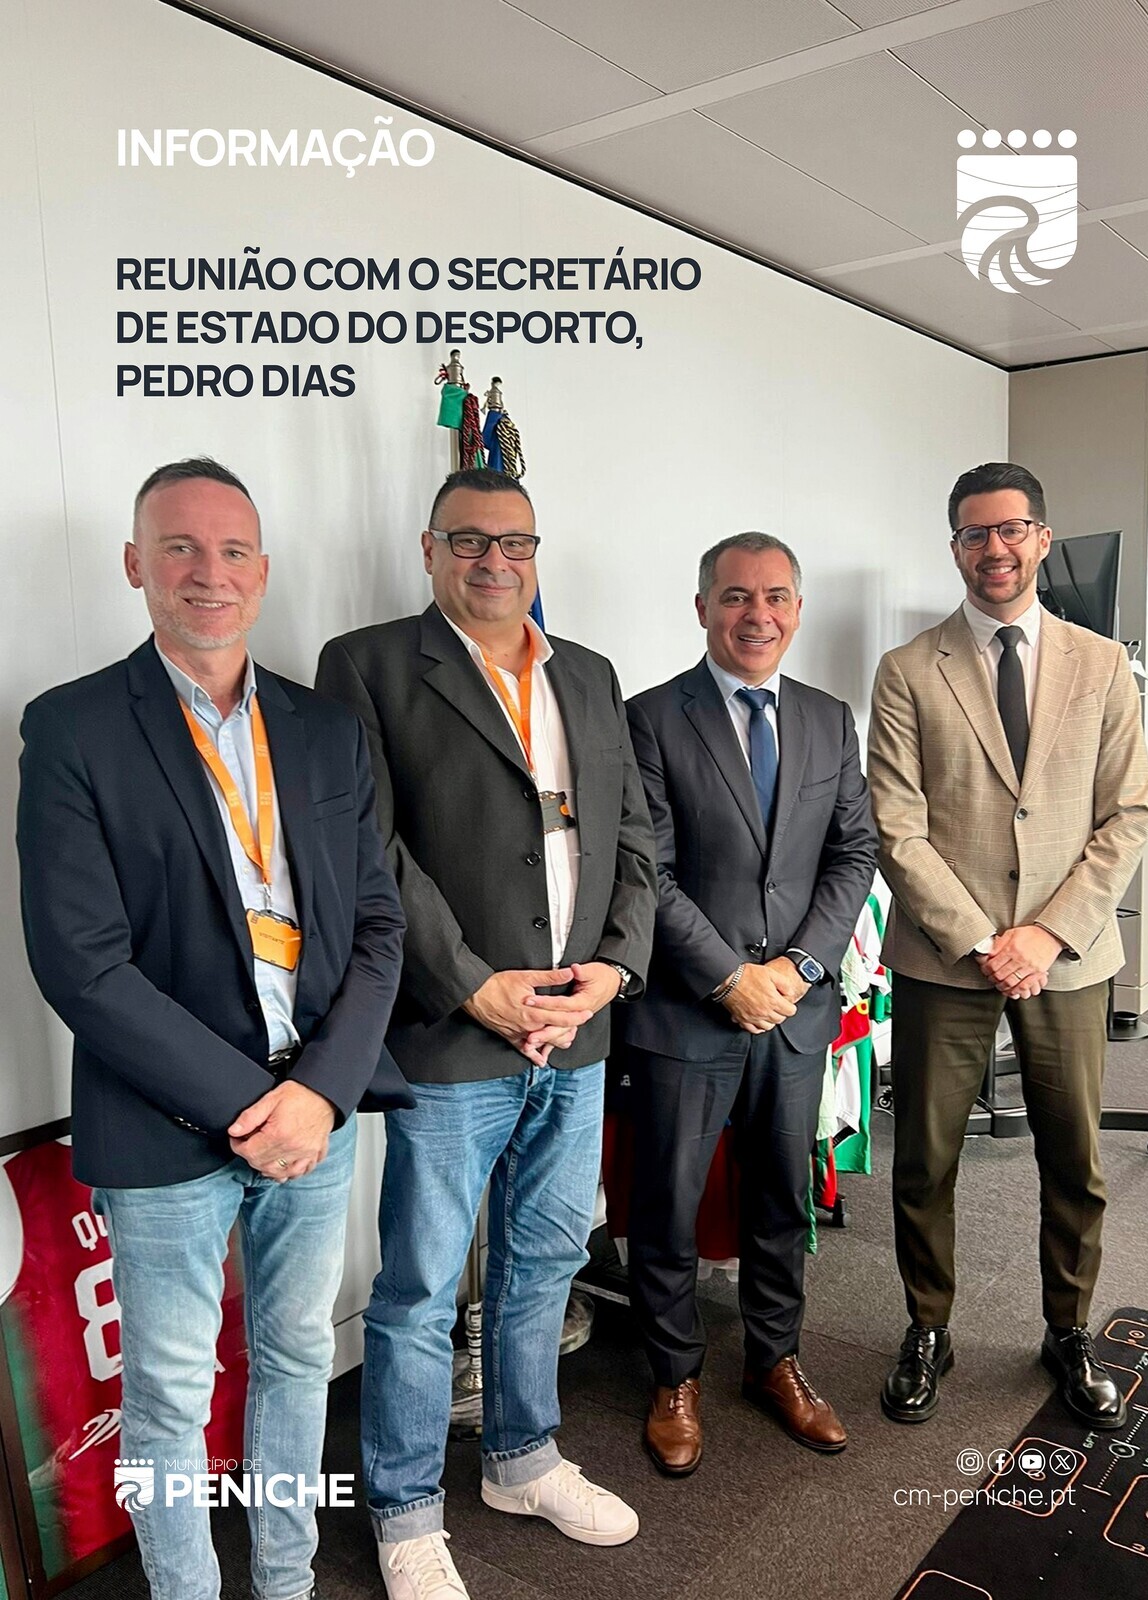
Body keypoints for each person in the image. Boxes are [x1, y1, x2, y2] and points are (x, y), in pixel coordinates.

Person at [15, 458, 407, 1600]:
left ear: (264, 572)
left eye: (233, 550)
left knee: (297, 1358)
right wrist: (253, 1107)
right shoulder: (74, 726)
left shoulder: (326, 730)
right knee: (170, 1397)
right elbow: (82, 962)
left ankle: (285, 1581)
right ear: (135, 564)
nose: (209, 572)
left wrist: (318, 1096)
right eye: (179, 547)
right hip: (166, 1121)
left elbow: (378, 927)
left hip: (317, 1112)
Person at [316, 468, 656, 1600]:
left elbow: (634, 839)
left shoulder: (589, 674)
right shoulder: (367, 666)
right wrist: (472, 986)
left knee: (545, 1258)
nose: (494, 561)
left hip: (578, 1027)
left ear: (537, 553)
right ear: (430, 549)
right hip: (457, 1033)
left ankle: (521, 1459)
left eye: (514, 542)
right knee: (420, 1286)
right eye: (468, 540)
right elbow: (370, 848)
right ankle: (404, 1508)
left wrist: (613, 969)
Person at [868, 461, 1148, 1430]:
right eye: (973, 533)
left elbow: (1126, 813)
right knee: (925, 1159)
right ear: (955, 546)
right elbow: (897, 827)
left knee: (1074, 1159)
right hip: (946, 955)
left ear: (1041, 538)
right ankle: (928, 1327)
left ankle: (1068, 1330)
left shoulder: (1101, 664)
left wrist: (1046, 932)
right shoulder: (910, 669)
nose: (993, 548)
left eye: (1010, 529)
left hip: (1068, 956)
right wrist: (988, 939)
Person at [620, 532, 877, 1475]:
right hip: (690, 1009)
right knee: (669, 1203)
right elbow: (647, 869)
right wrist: (730, 976)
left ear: (797, 611)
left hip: (795, 1011)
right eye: (735, 597)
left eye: (774, 597)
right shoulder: (651, 717)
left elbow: (854, 852)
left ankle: (776, 1359)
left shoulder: (828, 718)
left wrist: (800, 967)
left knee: (780, 1197)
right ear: (702, 609)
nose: (756, 615)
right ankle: (673, 1376)